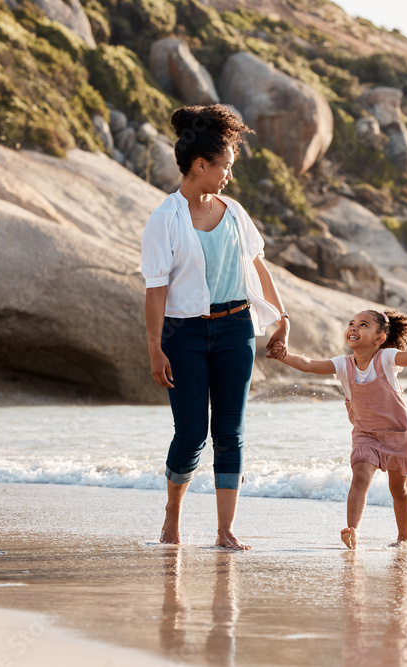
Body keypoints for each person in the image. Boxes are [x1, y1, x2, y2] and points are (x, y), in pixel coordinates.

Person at [141, 105, 290, 550]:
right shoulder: (164, 219)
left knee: (230, 432)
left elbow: (259, 269)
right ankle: (173, 516)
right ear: (200, 165)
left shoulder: (236, 212)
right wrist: (154, 347)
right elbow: (155, 290)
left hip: (235, 330)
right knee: (191, 433)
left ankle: (225, 530)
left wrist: (281, 319)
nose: (228, 174)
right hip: (183, 336)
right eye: (224, 166)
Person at [270, 309, 407, 549]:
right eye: (352, 323)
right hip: (365, 435)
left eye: (364, 325)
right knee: (360, 477)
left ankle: (403, 539)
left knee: (399, 489)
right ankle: (353, 530)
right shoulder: (343, 364)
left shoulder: (386, 358)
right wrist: (283, 356)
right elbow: (309, 364)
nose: (354, 328)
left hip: (397, 434)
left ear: (379, 338)